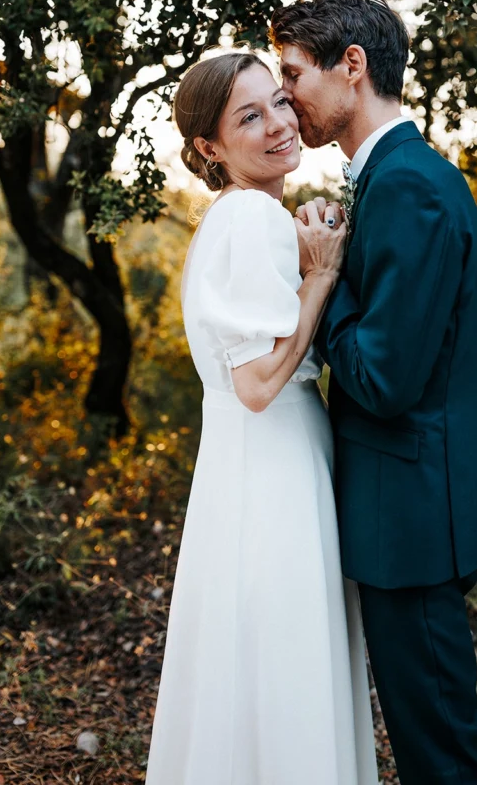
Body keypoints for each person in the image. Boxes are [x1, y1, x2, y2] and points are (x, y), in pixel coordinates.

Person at [270, 0, 477, 785]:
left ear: (352, 67)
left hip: (411, 519)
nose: (286, 95)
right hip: (409, 509)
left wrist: (322, 284)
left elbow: (383, 378)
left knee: (440, 758)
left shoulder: (407, 185)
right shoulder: (397, 176)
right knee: (428, 743)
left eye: (293, 73)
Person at [145, 51, 379, 785]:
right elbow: (256, 383)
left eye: (279, 101)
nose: (279, 123)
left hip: (255, 463)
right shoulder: (248, 217)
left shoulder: (248, 216)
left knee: (249, 660)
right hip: (269, 467)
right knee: (282, 658)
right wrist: (319, 278)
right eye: (249, 116)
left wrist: (306, 247)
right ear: (209, 148)